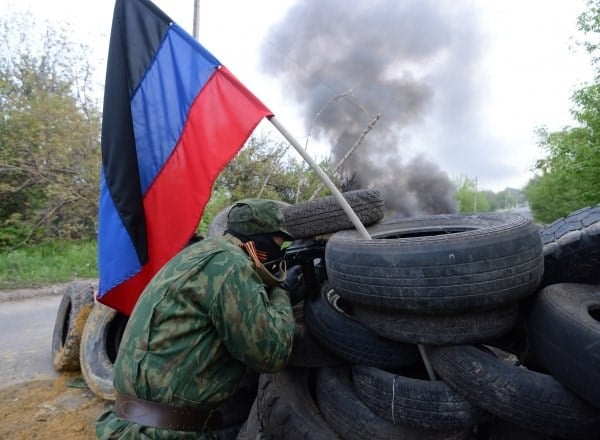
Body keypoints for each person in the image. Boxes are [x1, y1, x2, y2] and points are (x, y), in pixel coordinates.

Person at [96, 199, 297, 439]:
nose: (278, 252)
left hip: (126, 421)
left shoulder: (200, 252)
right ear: (259, 241)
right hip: (164, 433)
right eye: (278, 244)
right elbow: (270, 354)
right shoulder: (231, 265)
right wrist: (282, 291)